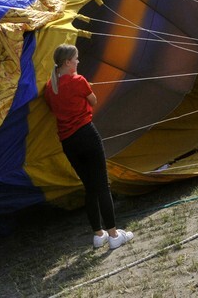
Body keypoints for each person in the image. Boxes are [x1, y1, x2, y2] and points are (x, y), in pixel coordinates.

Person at [42, 44, 134, 250]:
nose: (78, 62)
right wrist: (86, 89)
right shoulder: (78, 80)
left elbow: (53, 107)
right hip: (86, 134)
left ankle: (98, 234)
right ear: (67, 62)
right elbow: (92, 101)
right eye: (76, 59)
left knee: (90, 188)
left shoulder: (50, 87)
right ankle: (113, 235)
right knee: (102, 185)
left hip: (68, 142)